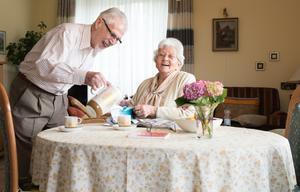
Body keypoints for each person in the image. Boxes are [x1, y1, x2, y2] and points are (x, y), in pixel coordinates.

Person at [9, 7, 127, 188]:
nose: (113, 41)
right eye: (113, 34)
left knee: (59, 148)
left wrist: (97, 82)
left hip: (59, 98)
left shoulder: (93, 48)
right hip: (32, 92)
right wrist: (85, 76)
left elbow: (71, 75)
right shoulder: (67, 33)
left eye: (117, 39)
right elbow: (45, 66)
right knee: (23, 155)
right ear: (98, 23)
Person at [120, 38, 196, 120]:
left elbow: (189, 113)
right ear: (156, 60)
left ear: (179, 63)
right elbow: (131, 107)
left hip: (171, 132)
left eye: (171, 56)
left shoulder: (185, 79)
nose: (165, 58)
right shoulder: (145, 83)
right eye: (161, 55)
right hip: (140, 131)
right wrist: (119, 102)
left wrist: (153, 110)